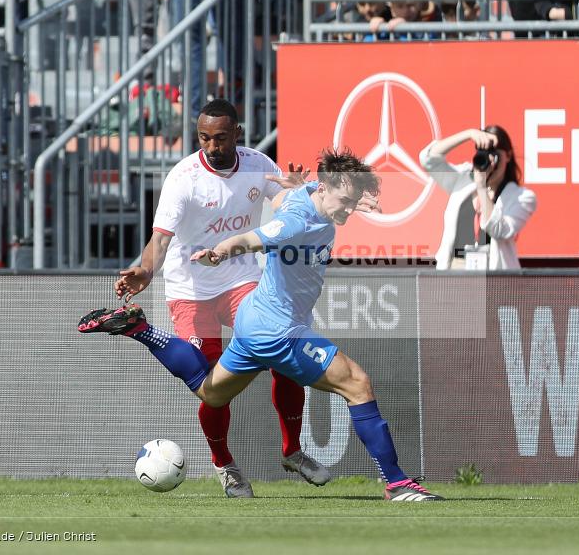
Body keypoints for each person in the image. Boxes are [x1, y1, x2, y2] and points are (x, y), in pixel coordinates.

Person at [80, 149, 443, 502]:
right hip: (279, 332)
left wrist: (329, 195)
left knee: (211, 393)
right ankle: (397, 482)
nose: (348, 208)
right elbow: (251, 239)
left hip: (254, 321)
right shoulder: (297, 220)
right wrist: (221, 252)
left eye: (353, 201)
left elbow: (293, 198)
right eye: (345, 200)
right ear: (326, 187)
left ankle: (140, 329)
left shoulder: (308, 196)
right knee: (358, 385)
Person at [100, 98, 330, 498]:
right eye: (204, 138)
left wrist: (295, 195)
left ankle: (292, 450)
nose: (211, 146)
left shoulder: (259, 164)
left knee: (285, 357)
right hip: (191, 291)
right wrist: (144, 271)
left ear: (237, 134)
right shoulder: (183, 178)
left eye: (220, 138)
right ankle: (224, 464)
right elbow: (161, 239)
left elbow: (282, 211)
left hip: (240, 280)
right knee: (212, 386)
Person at [420, 126, 537, 271]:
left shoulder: (522, 197)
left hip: (494, 277)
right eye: (484, 152)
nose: (489, 160)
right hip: (454, 273)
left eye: (494, 154)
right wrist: (468, 133)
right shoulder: (463, 178)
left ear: (508, 155)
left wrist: (481, 186)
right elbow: (428, 160)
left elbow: (500, 231)